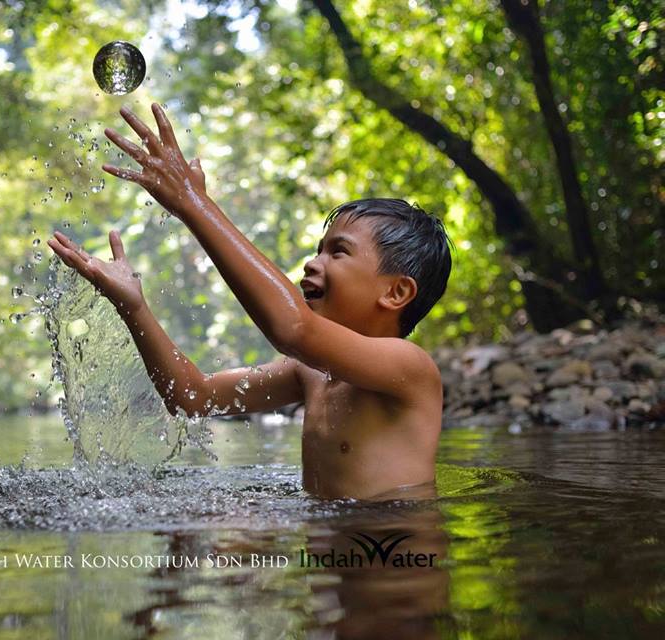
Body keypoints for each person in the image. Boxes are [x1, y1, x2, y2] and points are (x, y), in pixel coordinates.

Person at [48, 104, 453, 500]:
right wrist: (133, 307)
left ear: (395, 292)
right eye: (319, 249)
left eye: (339, 252)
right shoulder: (310, 373)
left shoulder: (410, 368)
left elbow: (292, 328)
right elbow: (192, 397)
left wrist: (193, 203)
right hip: (331, 557)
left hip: (396, 552)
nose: (313, 262)